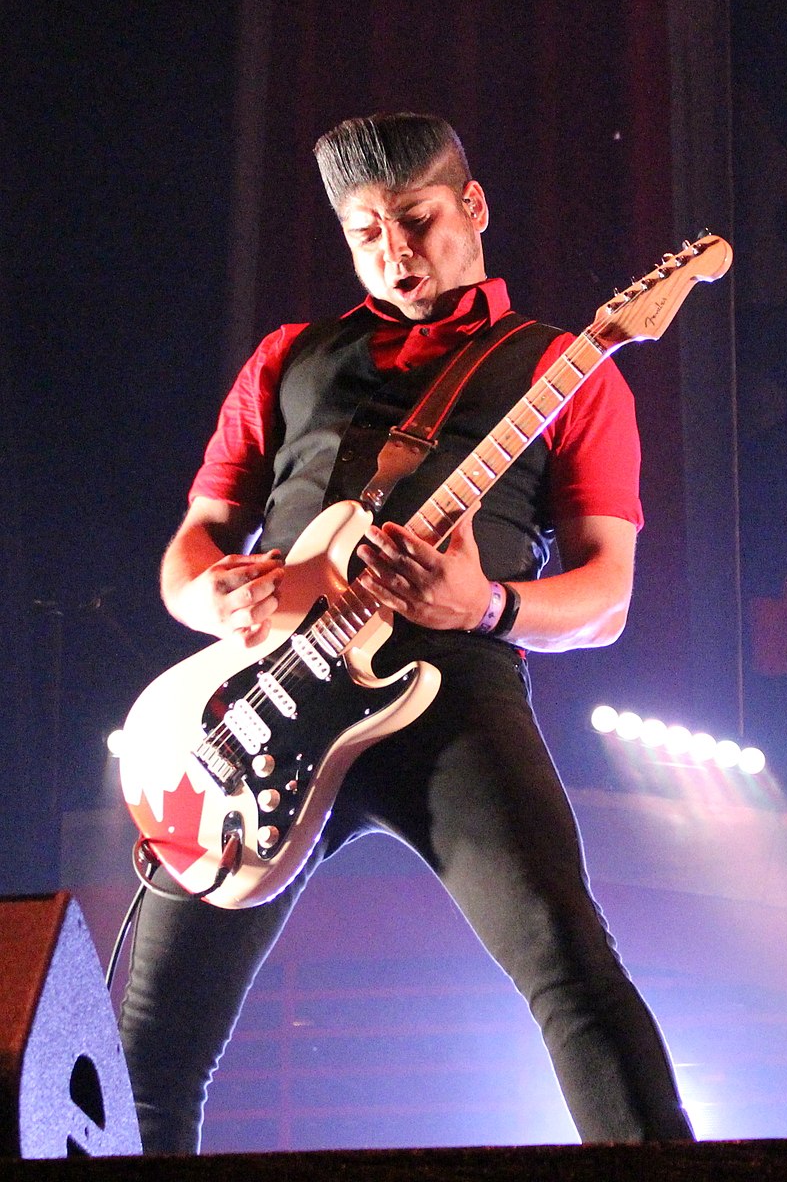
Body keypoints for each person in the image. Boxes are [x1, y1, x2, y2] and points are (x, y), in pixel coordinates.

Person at [119, 112, 694, 1152]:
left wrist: (487, 605)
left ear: (473, 206)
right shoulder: (288, 357)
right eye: (365, 233)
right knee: (147, 1049)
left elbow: (607, 596)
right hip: (261, 706)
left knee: (569, 970)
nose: (395, 253)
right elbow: (191, 547)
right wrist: (213, 599)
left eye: (417, 221)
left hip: (449, 686)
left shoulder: (566, 371)